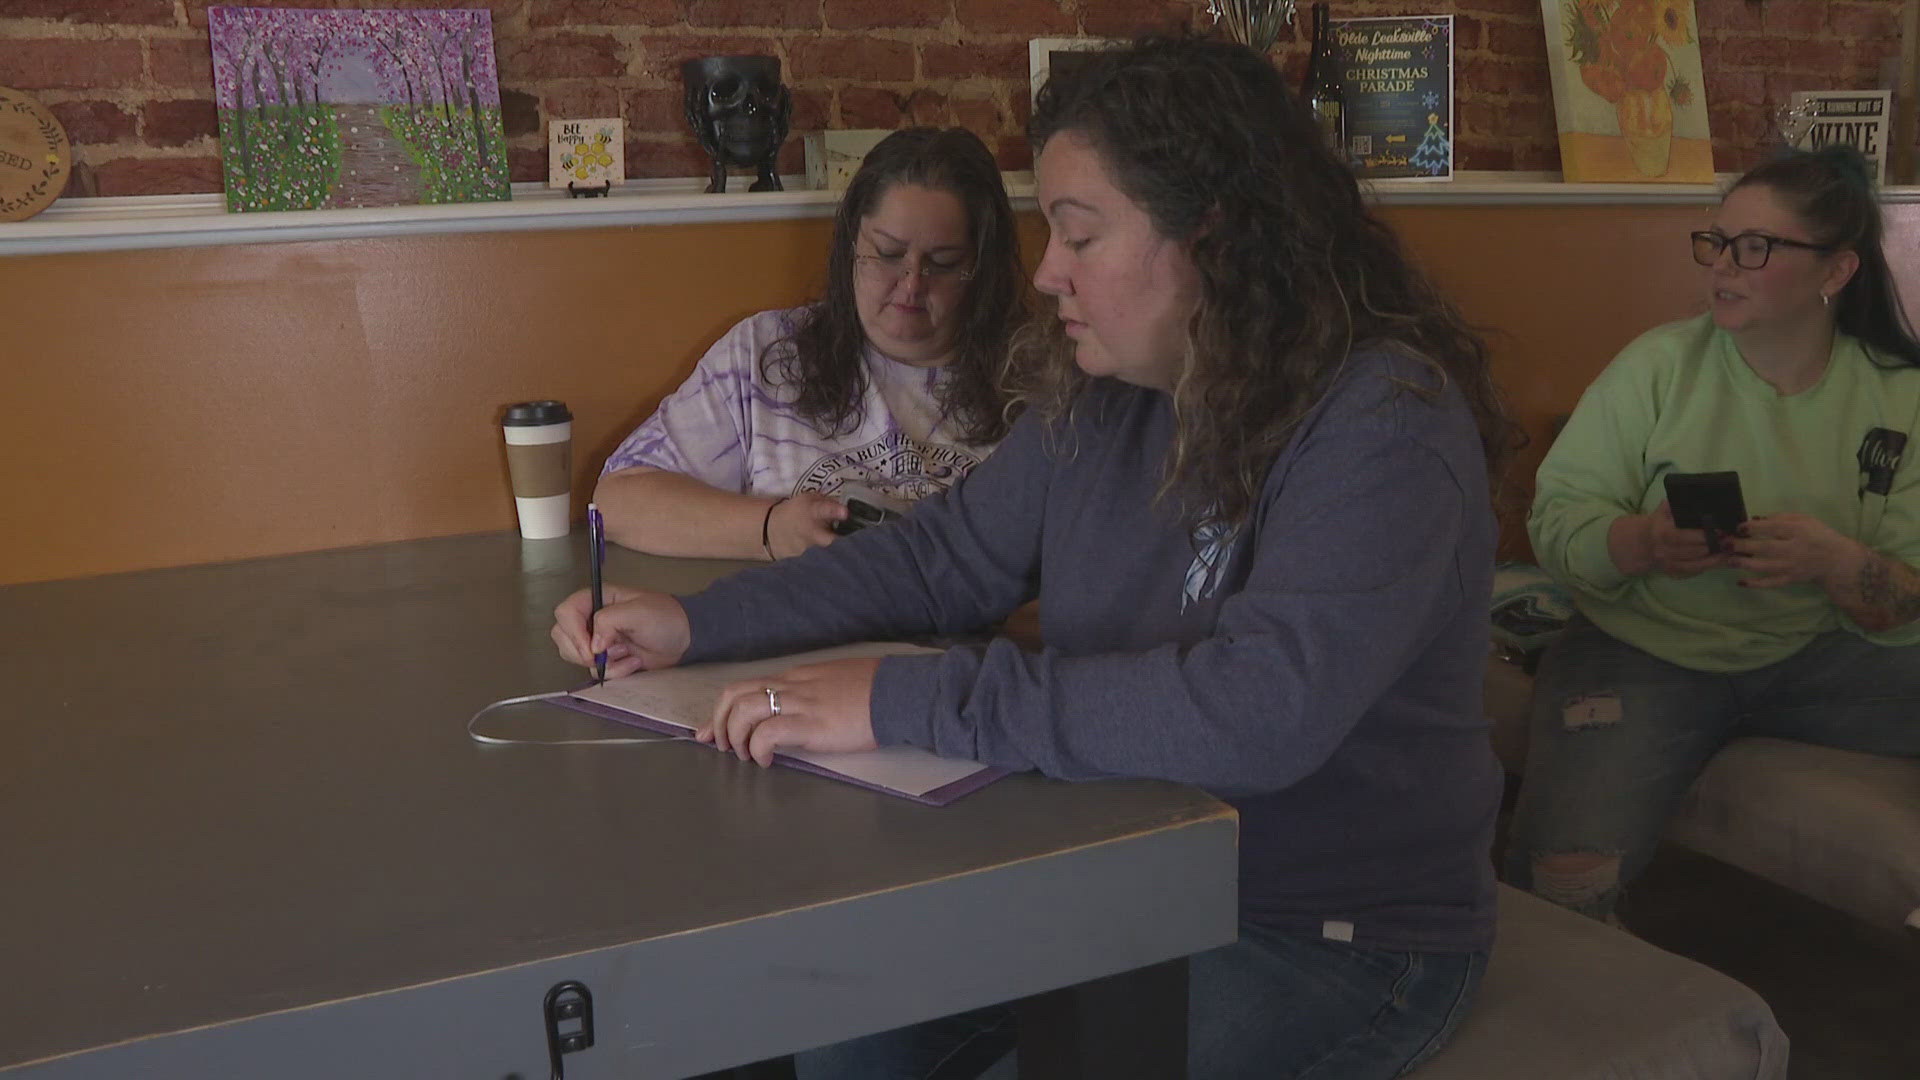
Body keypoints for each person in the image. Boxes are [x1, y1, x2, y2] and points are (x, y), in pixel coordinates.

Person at [554, 36, 1513, 1080]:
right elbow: (938, 562)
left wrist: (902, 699)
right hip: (1107, 871)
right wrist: (702, 623)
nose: (1048, 270)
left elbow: (1258, 710)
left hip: (1322, 932)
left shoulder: (1384, 420)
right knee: (837, 1028)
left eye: (1079, 233)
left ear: (1219, 237)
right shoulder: (1107, 396)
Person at [1509, 145, 1920, 923]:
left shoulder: (1901, 398)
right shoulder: (1658, 366)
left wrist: (1839, 563)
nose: (1723, 266)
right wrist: (1643, 542)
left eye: (1755, 247)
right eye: (1717, 242)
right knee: (1561, 882)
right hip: (1645, 650)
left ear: (1835, 273)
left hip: (1825, 658)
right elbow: (1558, 517)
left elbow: (1903, 600)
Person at [595, 126, 1027, 560]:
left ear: (981, 267)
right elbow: (617, 502)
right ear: (853, 244)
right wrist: (770, 528)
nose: (911, 285)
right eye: (888, 255)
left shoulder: (1038, 377)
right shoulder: (766, 354)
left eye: (944, 263)